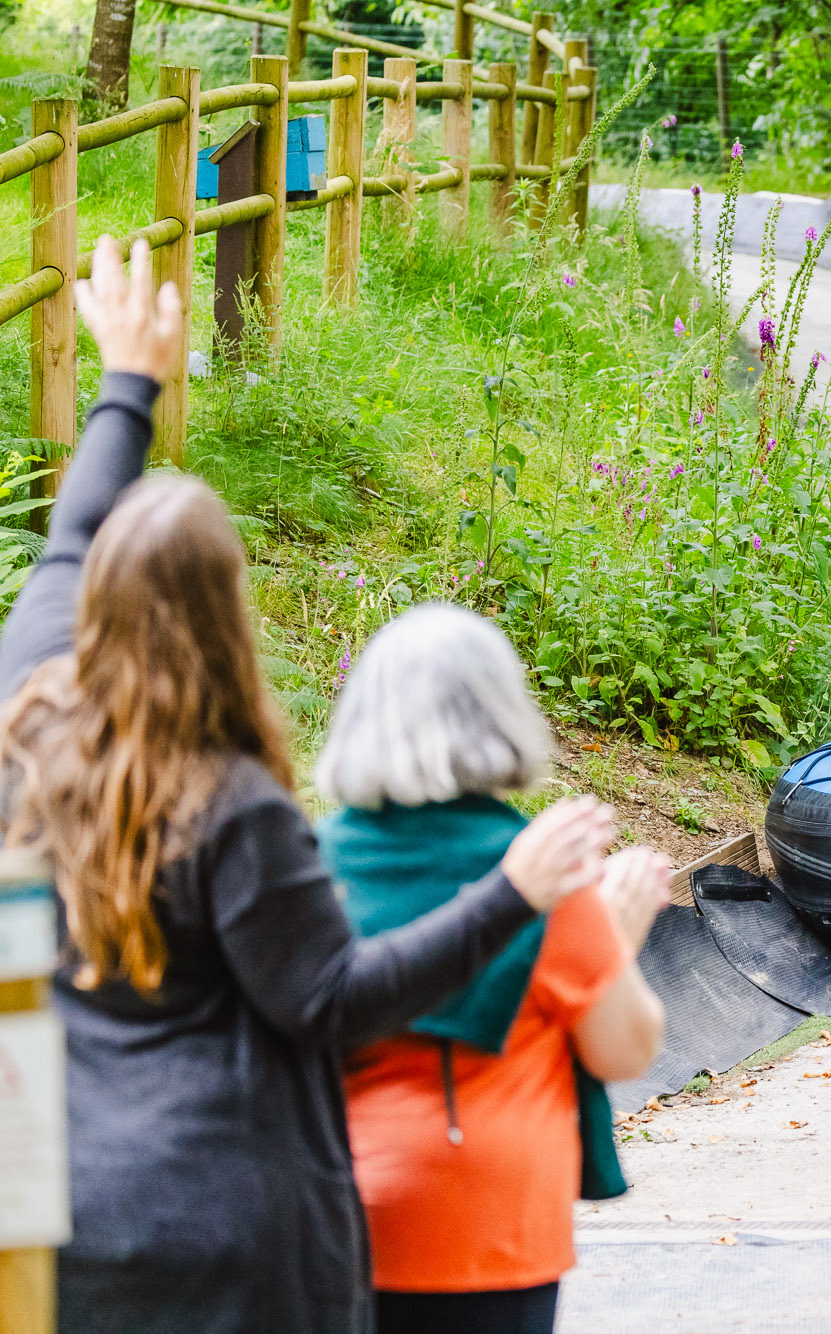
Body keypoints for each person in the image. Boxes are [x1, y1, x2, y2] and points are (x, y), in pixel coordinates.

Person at [0, 236, 617, 1334]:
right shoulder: (234, 808)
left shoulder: (27, 724)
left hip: (61, 1220)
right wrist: (508, 894)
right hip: (228, 1235)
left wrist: (128, 384)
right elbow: (329, 1000)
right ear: (228, 616)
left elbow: (70, 534)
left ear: (94, 602)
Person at [317, 604, 674, 1334]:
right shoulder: (543, 872)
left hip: (324, 1215)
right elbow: (624, 1048)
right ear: (503, 716)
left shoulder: (307, 864)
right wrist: (615, 928)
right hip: (486, 1226)